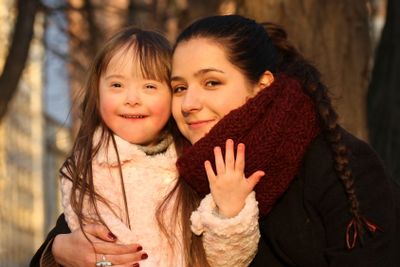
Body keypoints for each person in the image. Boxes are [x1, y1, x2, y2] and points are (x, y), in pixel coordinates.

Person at [32, 14, 400, 266]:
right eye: (179, 87)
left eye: (212, 82)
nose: (190, 104)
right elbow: (70, 233)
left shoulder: (333, 162)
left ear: (262, 86)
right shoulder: (172, 160)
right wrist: (59, 251)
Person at [30, 25, 263, 267]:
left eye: (149, 86)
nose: (132, 99)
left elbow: (227, 260)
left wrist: (229, 213)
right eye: (117, 85)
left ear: (173, 95)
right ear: (97, 94)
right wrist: (57, 250)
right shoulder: (88, 169)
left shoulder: (197, 164)